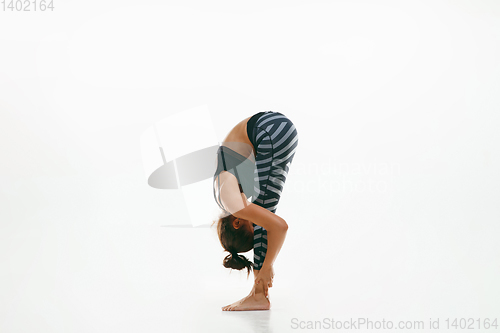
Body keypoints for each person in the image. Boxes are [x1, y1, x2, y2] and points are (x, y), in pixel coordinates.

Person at [212, 110, 299, 311]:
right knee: (264, 215)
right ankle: (258, 295)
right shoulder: (228, 194)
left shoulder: (231, 203)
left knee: (265, 224)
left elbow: (279, 227)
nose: (253, 218)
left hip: (269, 131)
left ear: (236, 222)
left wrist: (268, 265)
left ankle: (259, 296)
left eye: (249, 224)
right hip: (275, 128)